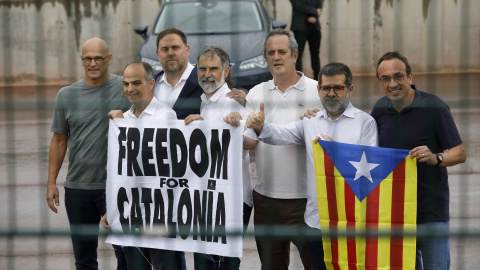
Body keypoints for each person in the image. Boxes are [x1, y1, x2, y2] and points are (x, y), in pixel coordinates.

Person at [245, 62, 378, 270]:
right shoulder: (311, 120)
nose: (331, 94)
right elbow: (280, 134)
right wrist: (261, 125)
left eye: (338, 88)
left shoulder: (366, 123)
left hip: (350, 221)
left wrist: (336, 151)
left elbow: (372, 173)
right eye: (326, 88)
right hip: (316, 221)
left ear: (350, 89)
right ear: (319, 90)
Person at [371, 51, 466, 270]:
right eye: (385, 79)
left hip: (431, 213)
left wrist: (436, 157)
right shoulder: (379, 110)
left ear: (410, 77)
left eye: (398, 77)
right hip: (396, 214)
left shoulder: (434, 106)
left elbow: (460, 152)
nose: (392, 84)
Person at [46, 37, 131, 270]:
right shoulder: (66, 95)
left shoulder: (127, 87)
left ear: (109, 59)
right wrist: (51, 182)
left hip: (115, 187)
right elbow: (59, 140)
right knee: (84, 259)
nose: (93, 63)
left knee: (125, 255)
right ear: (82, 60)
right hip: (78, 188)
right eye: (88, 58)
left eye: (98, 58)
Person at [242, 28, 321, 270]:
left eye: (282, 52)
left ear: (295, 55)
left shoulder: (317, 91)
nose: (276, 57)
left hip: (307, 201)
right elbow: (248, 144)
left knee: (317, 266)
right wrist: (248, 127)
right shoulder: (256, 93)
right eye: (271, 53)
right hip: (267, 202)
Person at [102, 61, 178, 270]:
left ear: (151, 83)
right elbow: (119, 168)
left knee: (162, 266)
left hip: (158, 214)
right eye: (126, 84)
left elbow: (148, 156)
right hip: (129, 212)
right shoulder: (122, 118)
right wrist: (113, 207)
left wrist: (123, 126)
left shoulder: (166, 115)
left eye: (136, 83)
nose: (130, 89)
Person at [184, 45, 253, 270]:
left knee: (224, 263)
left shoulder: (232, 103)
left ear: (226, 70)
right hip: (207, 197)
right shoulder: (204, 102)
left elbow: (248, 143)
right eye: (202, 68)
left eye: (214, 68)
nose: (207, 74)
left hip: (231, 200)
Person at [153, 28, 204, 120]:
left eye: (175, 48)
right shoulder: (150, 85)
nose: (170, 53)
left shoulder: (206, 80)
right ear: (158, 54)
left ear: (187, 50)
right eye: (165, 49)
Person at [289, 0, 322, 80]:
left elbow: (319, 9)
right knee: (298, 54)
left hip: (314, 26)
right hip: (300, 27)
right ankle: (298, 79)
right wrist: (313, 12)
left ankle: (318, 79)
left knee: (315, 53)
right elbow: (298, 5)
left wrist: (314, 15)